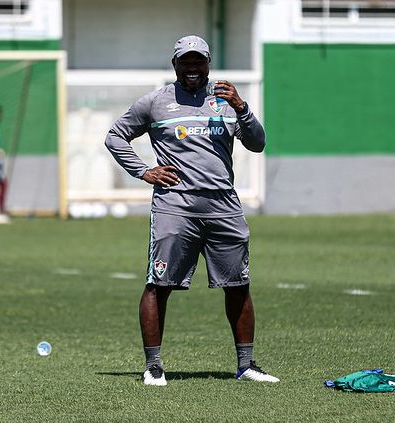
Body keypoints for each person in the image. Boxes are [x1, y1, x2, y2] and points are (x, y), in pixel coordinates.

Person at [105, 35, 279, 386]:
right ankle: (153, 366)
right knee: (159, 283)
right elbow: (115, 136)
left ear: (209, 63)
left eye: (198, 61)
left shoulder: (227, 99)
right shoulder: (156, 102)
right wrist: (143, 170)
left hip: (224, 206)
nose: (193, 68)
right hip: (175, 205)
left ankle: (246, 365)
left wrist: (242, 107)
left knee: (239, 284)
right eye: (186, 61)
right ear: (175, 65)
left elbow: (258, 144)